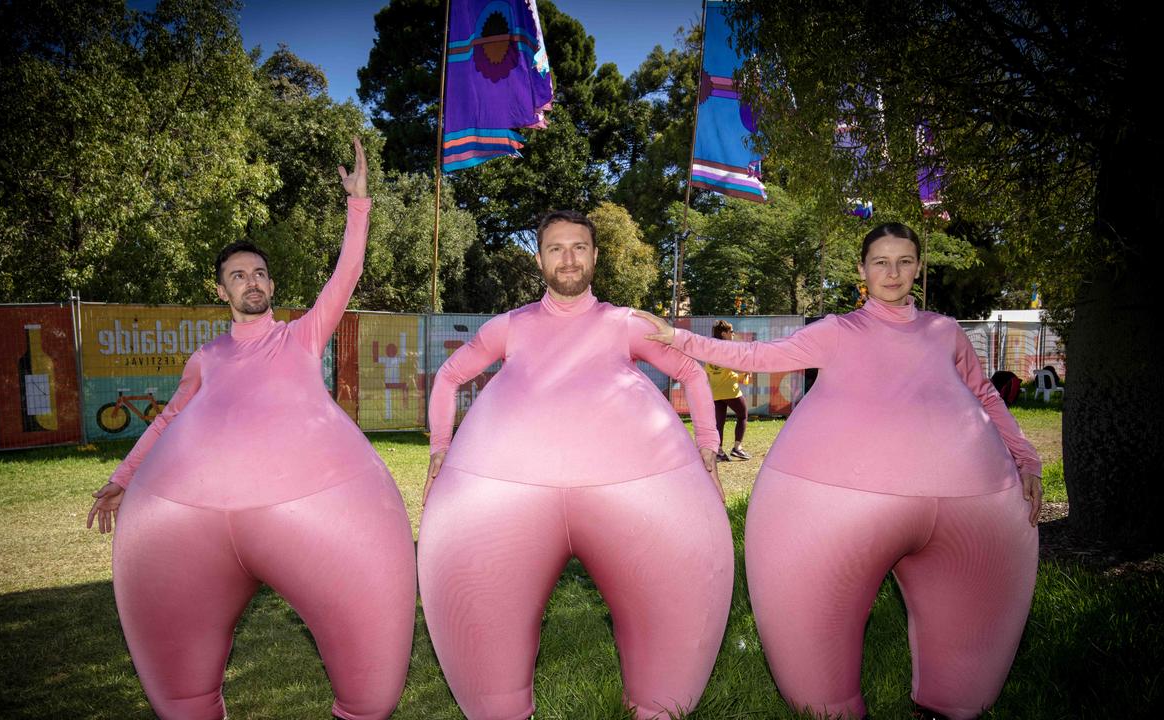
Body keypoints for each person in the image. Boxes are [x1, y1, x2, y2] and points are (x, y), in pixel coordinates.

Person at [636, 222, 1042, 720]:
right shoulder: (838, 331)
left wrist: (1027, 458)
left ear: (918, 267)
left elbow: (985, 396)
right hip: (835, 503)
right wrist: (678, 337)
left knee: (964, 680)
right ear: (861, 271)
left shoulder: (945, 332)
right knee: (821, 669)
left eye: (903, 262)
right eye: (880, 262)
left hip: (968, 503)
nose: (892, 273)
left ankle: (947, 705)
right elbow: (758, 356)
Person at [85, 139, 415, 720]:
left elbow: (349, 272)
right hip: (197, 522)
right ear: (222, 291)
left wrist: (358, 205)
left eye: (259, 273)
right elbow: (168, 420)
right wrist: (122, 477)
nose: (252, 281)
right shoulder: (205, 359)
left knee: (370, 689)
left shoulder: (302, 337)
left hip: (308, 511)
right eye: (238, 275)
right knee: (183, 687)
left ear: (271, 287)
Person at [420, 210, 733, 720]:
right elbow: (449, 376)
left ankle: (655, 703)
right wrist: (440, 446)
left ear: (594, 255)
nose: (569, 259)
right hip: (511, 497)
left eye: (579, 247)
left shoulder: (623, 323)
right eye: (557, 248)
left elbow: (692, 374)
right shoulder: (511, 327)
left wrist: (706, 443)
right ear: (540, 258)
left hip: (629, 494)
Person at [707, 319, 753, 461]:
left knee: (719, 422)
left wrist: (740, 375)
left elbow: (721, 372)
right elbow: (735, 365)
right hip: (729, 390)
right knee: (743, 415)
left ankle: (719, 452)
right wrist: (747, 369)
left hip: (715, 390)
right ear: (724, 333)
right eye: (731, 331)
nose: (733, 334)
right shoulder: (727, 348)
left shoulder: (710, 348)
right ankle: (737, 448)